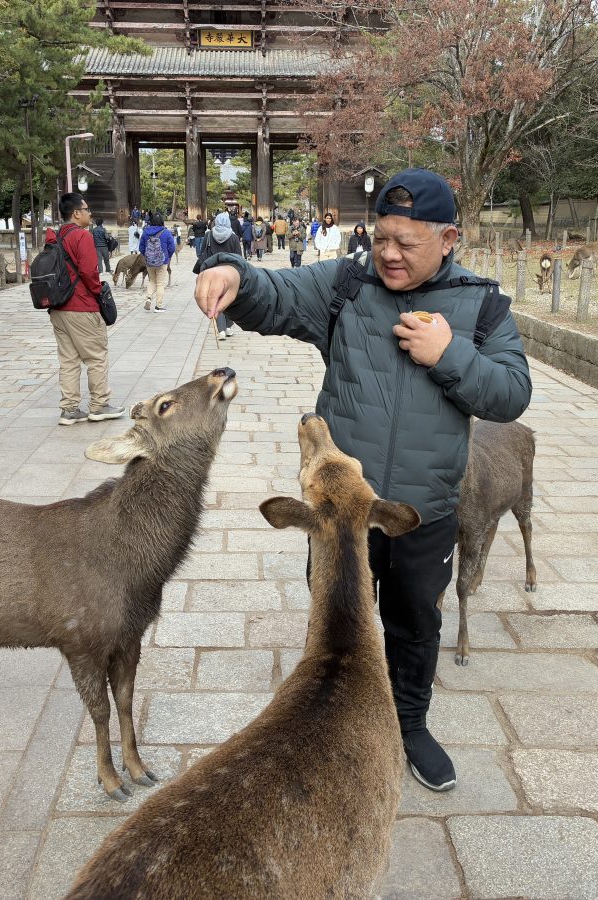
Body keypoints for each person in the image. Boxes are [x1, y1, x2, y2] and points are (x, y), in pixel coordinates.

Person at [192, 168, 532, 793]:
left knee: (415, 623)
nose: (389, 253)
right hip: (342, 511)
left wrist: (450, 354)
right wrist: (234, 274)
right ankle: (328, 724)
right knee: (337, 621)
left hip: (424, 511)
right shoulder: (346, 286)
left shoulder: (482, 305)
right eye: (381, 238)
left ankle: (409, 725)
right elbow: (275, 294)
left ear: (448, 239)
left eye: (407, 241)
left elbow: (512, 394)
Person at [47, 193, 126, 425]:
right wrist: (98, 291)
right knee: (96, 357)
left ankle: (69, 409)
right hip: (81, 306)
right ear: (76, 213)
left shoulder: (56, 236)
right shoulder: (82, 236)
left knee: (68, 360)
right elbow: (89, 272)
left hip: (58, 308)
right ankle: (99, 405)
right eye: (87, 209)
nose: (90, 213)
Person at [198, 212, 243, 339]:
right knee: (230, 299)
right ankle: (228, 327)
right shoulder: (233, 237)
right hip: (229, 272)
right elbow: (239, 257)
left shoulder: (209, 235)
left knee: (216, 299)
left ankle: (221, 329)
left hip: (213, 272)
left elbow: (202, 253)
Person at [140, 212, 177, 312]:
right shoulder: (166, 232)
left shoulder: (145, 232)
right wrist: (168, 256)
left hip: (149, 262)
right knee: (160, 283)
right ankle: (158, 306)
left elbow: (141, 247)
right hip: (162, 261)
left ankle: (149, 297)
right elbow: (172, 247)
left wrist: (147, 256)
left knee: (152, 281)